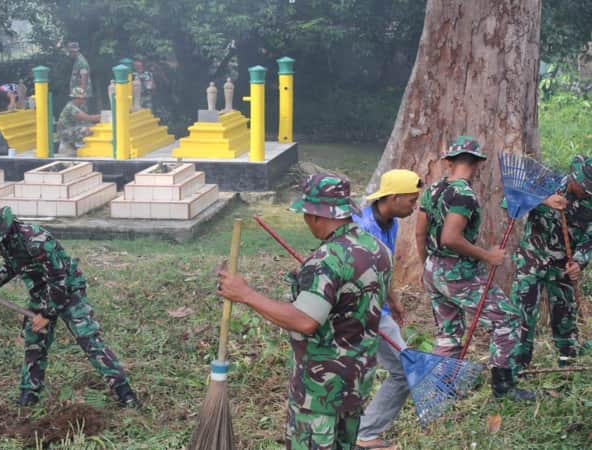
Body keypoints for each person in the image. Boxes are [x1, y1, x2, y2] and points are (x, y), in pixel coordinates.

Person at [218, 174, 392, 450]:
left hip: (319, 393)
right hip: (355, 382)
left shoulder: (326, 261)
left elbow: (305, 321)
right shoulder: (377, 249)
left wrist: (245, 294)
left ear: (315, 215)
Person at [0, 205, 140, 408]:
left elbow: (60, 278)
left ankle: (125, 393)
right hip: (41, 293)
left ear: (0, 229)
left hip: (68, 291)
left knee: (89, 340)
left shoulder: (36, 240)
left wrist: (47, 313)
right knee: (34, 343)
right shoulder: (6, 242)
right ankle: (29, 394)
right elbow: (14, 265)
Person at [415, 136, 534, 401]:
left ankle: (441, 390)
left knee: (448, 331)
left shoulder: (432, 190)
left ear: (449, 161)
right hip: (457, 271)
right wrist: (487, 255)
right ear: (478, 164)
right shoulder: (464, 195)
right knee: (507, 318)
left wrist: (428, 268)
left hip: (433, 267)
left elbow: (420, 234)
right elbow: (450, 237)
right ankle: (503, 387)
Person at [353, 169, 422, 450]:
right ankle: (365, 434)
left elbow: (383, 269)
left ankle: (360, 430)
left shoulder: (391, 222)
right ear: (393, 197)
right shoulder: (363, 228)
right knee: (405, 371)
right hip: (361, 311)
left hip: (378, 308)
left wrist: (392, 299)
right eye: (411, 201)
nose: (414, 207)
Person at [511, 154, 591, 370]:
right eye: (582, 186)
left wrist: (579, 262)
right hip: (531, 259)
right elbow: (510, 201)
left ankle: (568, 366)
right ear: (573, 177)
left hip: (563, 264)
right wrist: (542, 199)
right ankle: (518, 367)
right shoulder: (547, 182)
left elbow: (589, 238)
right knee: (523, 315)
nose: (585, 192)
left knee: (565, 316)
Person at [56, 87, 100, 156]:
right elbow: (87, 118)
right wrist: (104, 116)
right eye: (82, 98)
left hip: (71, 130)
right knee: (86, 130)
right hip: (65, 132)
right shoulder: (71, 107)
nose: (84, 100)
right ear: (76, 98)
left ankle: (76, 146)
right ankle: (78, 145)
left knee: (91, 126)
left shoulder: (78, 106)